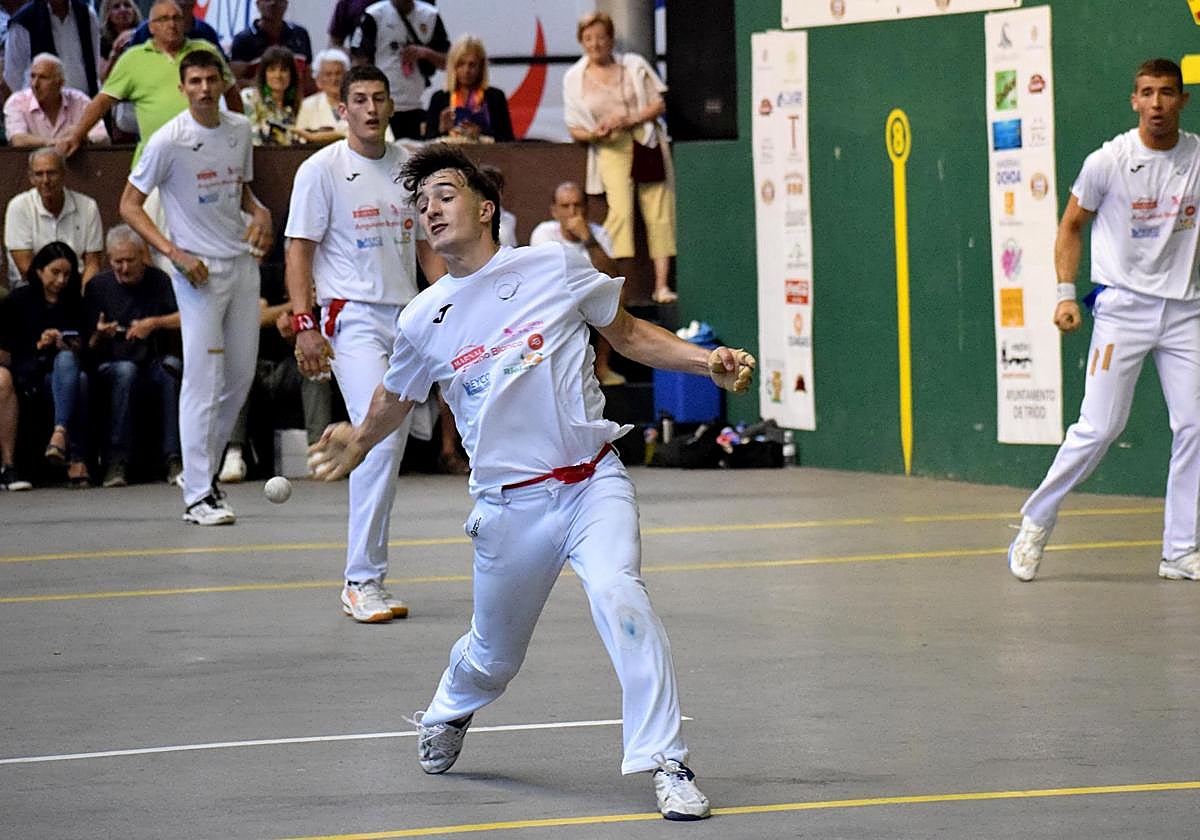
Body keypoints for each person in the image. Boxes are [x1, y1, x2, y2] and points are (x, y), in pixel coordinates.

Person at [307, 143, 756, 819]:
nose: (430, 208)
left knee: (620, 595)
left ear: (486, 208)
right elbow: (393, 400)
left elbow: (629, 334)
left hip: (590, 484)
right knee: (493, 657)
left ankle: (667, 760)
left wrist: (705, 362)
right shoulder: (422, 318)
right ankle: (450, 708)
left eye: (445, 194)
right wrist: (357, 439)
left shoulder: (556, 265)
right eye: (421, 203)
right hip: (509, 510)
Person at [1007, 58, 1200, 583]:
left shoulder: (1198, 157)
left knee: (1196, 426)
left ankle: (1181, 550)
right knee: (1099, 428)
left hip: (1185, 311)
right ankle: (1035, 520)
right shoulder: (1108, 161)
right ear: (1133, 101)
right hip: (1123, 309)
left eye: (1166, 93)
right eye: (1147, 93)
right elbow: (1071, 226)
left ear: (1182, 100)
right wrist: (1066, 295)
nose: (1157, 103)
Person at [285, 64, 443, 622]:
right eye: (359, 99)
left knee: (388, 434)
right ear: (343, 108)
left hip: (408, 320)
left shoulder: (411, 167)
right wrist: (305, 323)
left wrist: (454, 301)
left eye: (379, 98)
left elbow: (426, 249)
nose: (371, 108)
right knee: (381, 433)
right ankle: (361, 580)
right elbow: (299, 251)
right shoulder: (320, 170)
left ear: (390, 106)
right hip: (350, 318)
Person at [118, 49, 273, 525]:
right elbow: (129, 205)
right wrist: (175, 255)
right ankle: (198, 496)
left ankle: (199, 474)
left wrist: (261, 211)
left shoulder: (238, 129)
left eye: (211, 80)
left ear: (221, 82)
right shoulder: (168, 140)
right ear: (183, 88)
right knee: (202, 383)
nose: (205, 88)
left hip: (242, 267)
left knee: (241, 376)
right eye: (196, 81)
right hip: (197, 276)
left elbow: (240, 192)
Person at [563, 11, 678, 305]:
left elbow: (658, 104)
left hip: (645, 142)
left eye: (601, 37)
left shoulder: (633, 66)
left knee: (659, 211)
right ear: (581, 42)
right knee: (621, 213)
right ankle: (619, 282)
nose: (596, 43)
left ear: (612, 39)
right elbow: (575, 128)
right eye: (589, 38)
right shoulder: (574, 78)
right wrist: (596, 133)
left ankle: (662, 285)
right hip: (609, 147)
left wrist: (629, 119)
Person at [57, 0, 240, 164]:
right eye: (164, 19)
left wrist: (237, 132)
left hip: (206, 154)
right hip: (156, 158)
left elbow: (231, 91)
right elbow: (103, 101)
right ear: (151, 27)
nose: (172, 24)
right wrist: (77, 134)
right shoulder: (133, 58)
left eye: (177, 18)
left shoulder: (205, 49)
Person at [84, 224, 181, 488]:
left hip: (151, 358)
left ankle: (174, 458)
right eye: (118, 262)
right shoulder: (97, 286)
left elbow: (183, 317)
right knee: (125, 372)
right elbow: (87, 343)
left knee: (171, 368)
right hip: (112, 362)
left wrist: (153, 323)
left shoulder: (159, 280)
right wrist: (100, 334)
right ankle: (117, 461)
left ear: (143, 256)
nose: (124, 268)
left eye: (130, 261)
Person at [0, 241, 90, 487]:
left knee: (70, 366)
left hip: (63, 372)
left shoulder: (74, 301)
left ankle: (59, 434)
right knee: (77, 381)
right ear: (39, 270)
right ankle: (75, 457)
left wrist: (69, 342)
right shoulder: (19, 300)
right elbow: (7, 351)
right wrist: (38, 345)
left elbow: (86, 340)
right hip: (30, 373)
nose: (61, 280)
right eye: (55, 273)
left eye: (67, 274)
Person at [529, 180, 625, 386]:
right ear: (554, 211)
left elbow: (612, 274)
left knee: (617, 293)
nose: (572, 212)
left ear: (586, 208)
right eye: (565, 206)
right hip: (554, 302)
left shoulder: (598, 234)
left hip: (588, 301)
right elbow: (548, 279)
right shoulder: (544, 233)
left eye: (578, 205)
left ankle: (602, 367)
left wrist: (587, 238)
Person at [3, 147, 103, 289]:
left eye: (51, 173)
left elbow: (92, 263)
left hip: (75, 284)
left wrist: (83, 296)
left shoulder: (88, 206)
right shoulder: (18, 206)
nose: (46, 180)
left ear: (64, 174)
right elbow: (25, 266)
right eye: (39, 174)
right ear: (31, 178)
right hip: (30, 285)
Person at [349, 0, 449, 140]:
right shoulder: (374, 14)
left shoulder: (430, 15)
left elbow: (447, 61)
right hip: (380, 106)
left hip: (415, 104)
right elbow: (358, 58)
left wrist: (425, 53)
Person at [4, 53, 109, 148]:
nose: (35, 84)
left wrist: (82, 134)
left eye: (43, 78)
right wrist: (56, 143)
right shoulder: (17, 101)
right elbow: (17, 140)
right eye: (32, 76)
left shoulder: (79, 100)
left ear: (60, 83)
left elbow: (103, 138)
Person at [3, 0, 101, 99]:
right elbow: (13, 76)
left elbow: (95, 61)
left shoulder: (87, 15)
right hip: (40, 108)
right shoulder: (23, 21)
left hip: (83, 104)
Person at [425, 35, 513, 143]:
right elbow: (427, 143)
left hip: (486, 157)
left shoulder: (495, 97)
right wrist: (442, 129)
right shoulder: (439, 98)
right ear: (453, 66)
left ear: (481, 67)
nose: (466, 70)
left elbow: (508, 140)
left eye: (472, 65)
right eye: (461, 64)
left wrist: (480, 133)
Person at [230, 0, 313, 87]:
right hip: (259, 98)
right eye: (267, 0)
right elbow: (234, 83)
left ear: (286, 4)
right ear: (258, 4)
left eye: (278, 0)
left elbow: (308, 76)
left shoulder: (300, 34)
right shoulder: (243, 40)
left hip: (297, 98)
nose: (273, 3)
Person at [241, 45, 301, 146]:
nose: (278, 75)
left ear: (292, 75)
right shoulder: (249, 97)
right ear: (264, 74)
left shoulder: (293, 108)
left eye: (284, 70)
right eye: (272, 70)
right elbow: (250, 137)